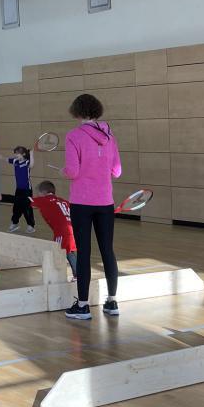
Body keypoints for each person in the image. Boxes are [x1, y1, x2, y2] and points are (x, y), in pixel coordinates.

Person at [61, 93, 122, 320]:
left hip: (82, 203)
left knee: (83, 252)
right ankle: (112, 302)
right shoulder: (110, 135)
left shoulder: (74, 136)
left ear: (76, 111)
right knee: (108, 250)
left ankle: (83, 306)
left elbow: (73, 171)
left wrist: (64, 172)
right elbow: (117, 171)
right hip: (105, 202)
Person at [0, 180, 78, 275]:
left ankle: (72, 276)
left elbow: (21, 200)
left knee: (60, 252)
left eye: (38, 193)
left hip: (63, 232)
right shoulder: (64, 201)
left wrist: (2, 197)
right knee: (68, 251)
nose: (37, 196)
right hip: (73, 229)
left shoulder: (45, 200)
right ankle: (77, 275)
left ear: (43, 192)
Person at [0, 145, 34, 233]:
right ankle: (15, 223)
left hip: (27, 190)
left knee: (26, 207)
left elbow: (32, 165)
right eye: (15, 153)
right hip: (19, 189)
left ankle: (31, 226)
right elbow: (3, 158)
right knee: (16, 207)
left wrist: (31, 154)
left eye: (17, 153)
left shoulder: (27, 162)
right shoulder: (15, 161)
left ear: (24, 154)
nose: (15, 155)